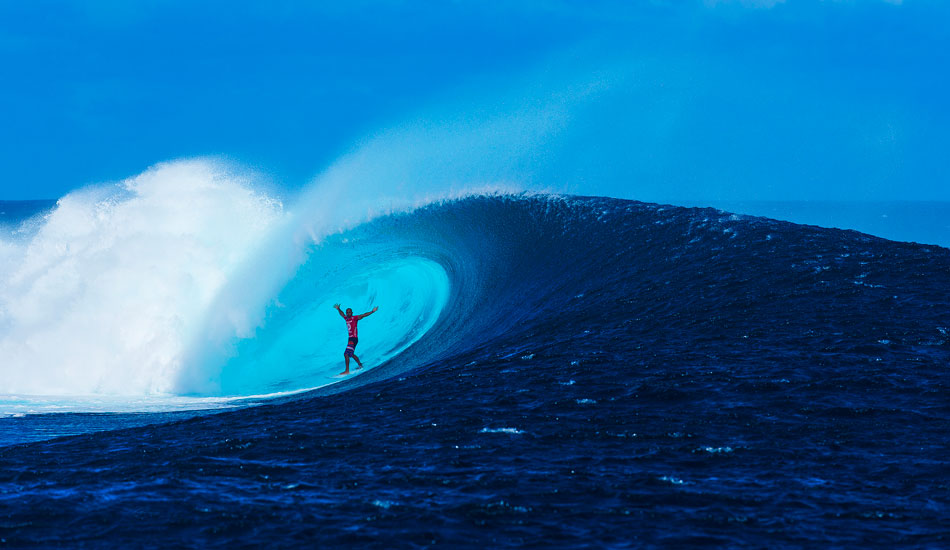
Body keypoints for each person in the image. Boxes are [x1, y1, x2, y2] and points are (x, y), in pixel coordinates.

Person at [333, 303, 378, 375]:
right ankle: (360, 365)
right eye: (347, 312)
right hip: (350, 339)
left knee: (346, 354)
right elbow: (342, 314)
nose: (348, 313)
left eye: (349, 312)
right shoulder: (346, 318)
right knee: (351, 354)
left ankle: (347, 371)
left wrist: (372, 311)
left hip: (353, 339)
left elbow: (364, 315)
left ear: (352, 313)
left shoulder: (355, 318)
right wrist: (338, 309)